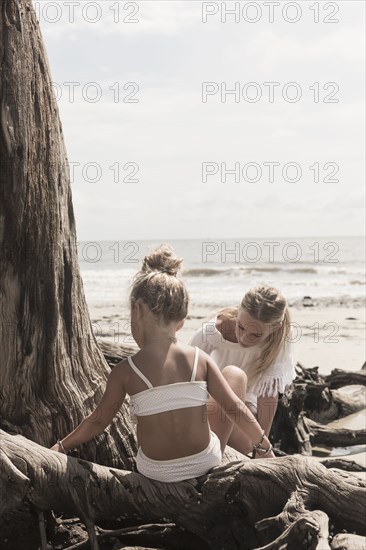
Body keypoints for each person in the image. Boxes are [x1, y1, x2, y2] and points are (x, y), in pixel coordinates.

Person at [51, 246, 275, 483]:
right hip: (204, 464)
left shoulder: (125, 370)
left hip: (156, 472)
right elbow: (236, 410)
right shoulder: (200, 358)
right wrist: (264, 448)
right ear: (181, 321)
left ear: (136, 310)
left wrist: (61, 445)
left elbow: (98, 420)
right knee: (232, 380)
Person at [189, 285, 296, 455]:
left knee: (246, 444)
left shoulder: (279, 339)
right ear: (238, 314)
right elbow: (187, 372)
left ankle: (218, 449)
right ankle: (213, 457)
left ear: (274, 328)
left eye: (255, 335)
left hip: (247, 400)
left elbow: (268, 394)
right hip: (211, 397)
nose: (244, 338)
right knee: (231, 383)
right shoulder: (213, 331)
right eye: (241, 327)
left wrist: (262, 446)